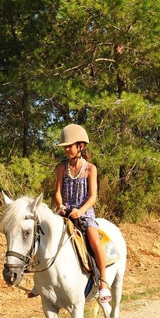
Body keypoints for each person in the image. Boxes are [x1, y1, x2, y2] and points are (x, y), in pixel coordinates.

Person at [54, 124, 111, 303]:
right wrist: (61, 205)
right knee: (44, 234)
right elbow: (57, 191)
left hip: (84, 214)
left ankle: (103, 283)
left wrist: (81, 211)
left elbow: (93, 196)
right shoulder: (61, 167)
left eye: (69, 146)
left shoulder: (90, 169)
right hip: (65, 212)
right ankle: (40, 281)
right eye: (65, 146)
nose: (66, 149)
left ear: (81, 146)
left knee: (94, 240)